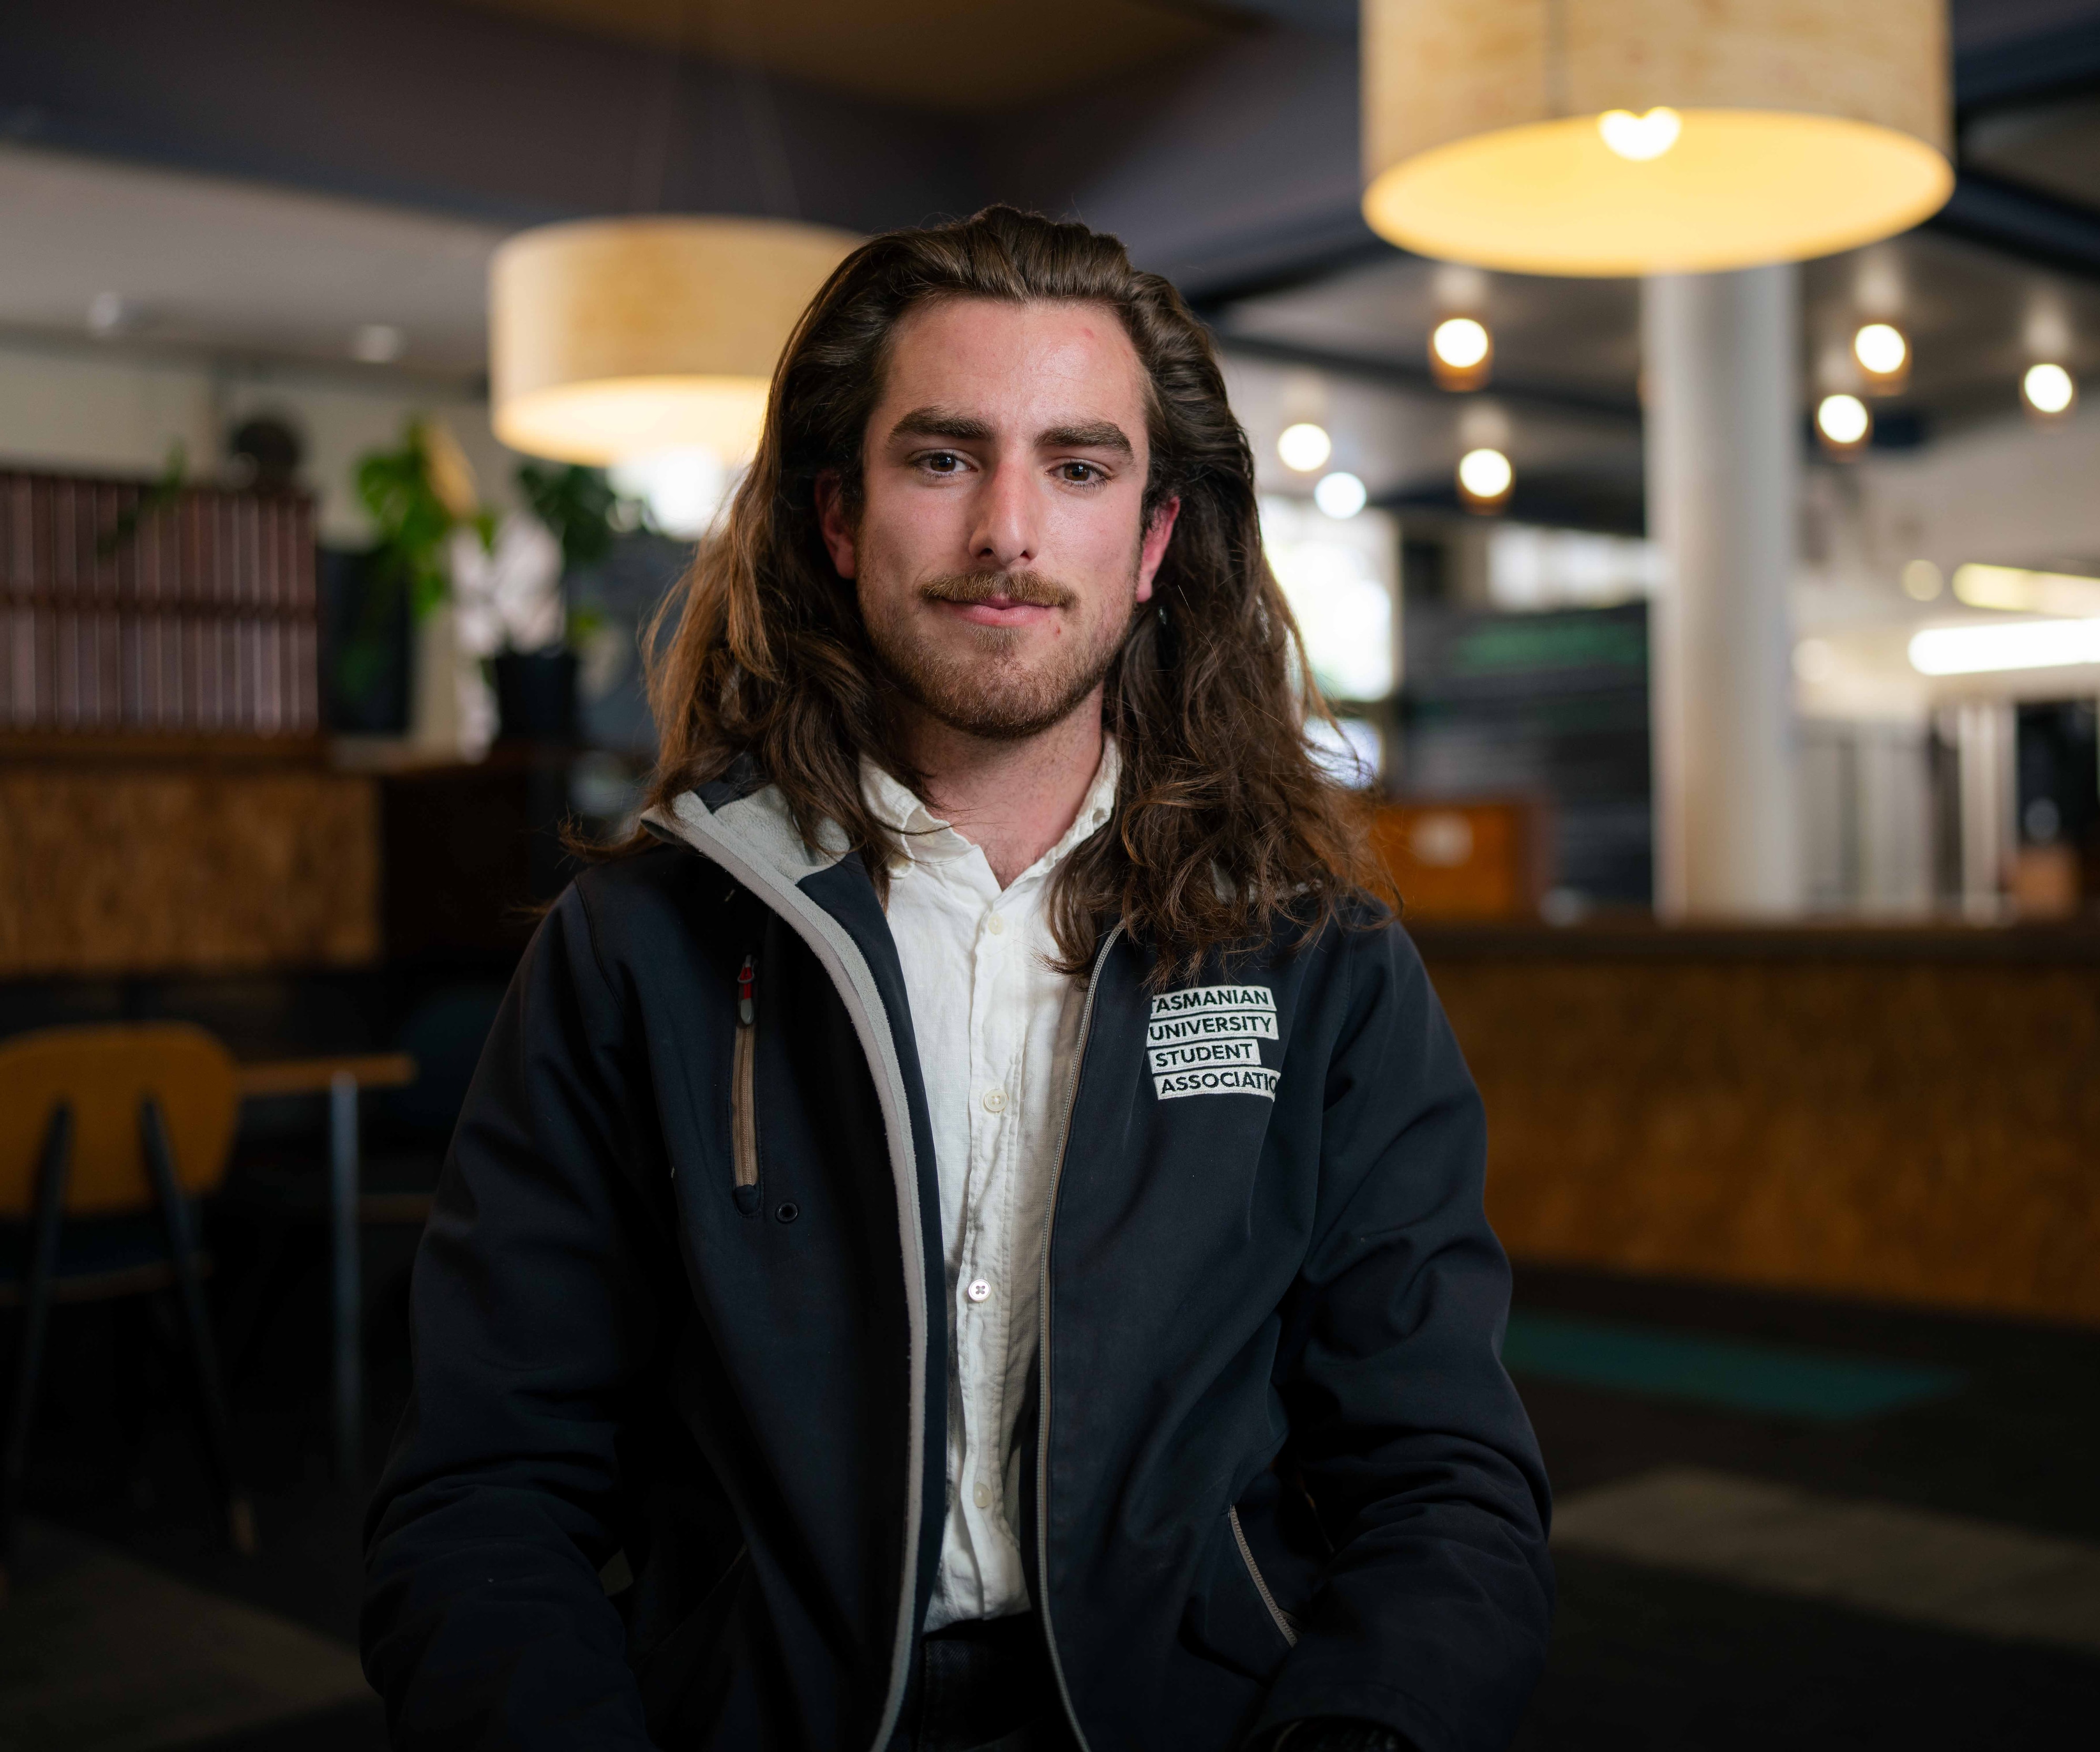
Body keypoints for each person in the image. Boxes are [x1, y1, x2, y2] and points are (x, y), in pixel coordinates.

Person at [360, 207, 1553, 1752]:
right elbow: (479, 1493)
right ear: (839, 522)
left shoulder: (1318, 958)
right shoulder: (635, 948)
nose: (1009, 528)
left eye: (1077, 466)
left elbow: (1444, 1483)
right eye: (940, 457)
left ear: (1153, 540)